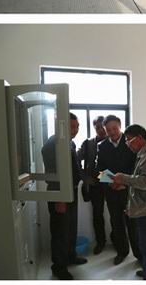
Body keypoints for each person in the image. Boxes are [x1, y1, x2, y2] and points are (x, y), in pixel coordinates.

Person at [112, 125, 146, 280]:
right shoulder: (143, 152)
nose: (127, 144)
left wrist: (123, 178)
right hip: (145, 207)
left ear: (140, 138)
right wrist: (125, 184)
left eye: (129, 140)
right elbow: (142, 179)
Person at [42, 113, 86, 280]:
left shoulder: (70, 143)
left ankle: (70, 256)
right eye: (72, 127)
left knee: (70, 228)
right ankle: (59, 267)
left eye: (77, 126)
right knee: (60, 231)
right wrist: (59, 197)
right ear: (60, 126)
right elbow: (52, 174)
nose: (75, 130)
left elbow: (74, 167)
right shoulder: (51, 145)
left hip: (71, 192)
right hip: (59, 194)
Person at [96, 115, 141, 265]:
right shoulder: (102, 146)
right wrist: (111, 183)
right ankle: (122, 251)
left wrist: (125, 183)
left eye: (114, 128)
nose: (112, 132)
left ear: (120, 126)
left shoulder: (130, 143)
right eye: (108, 130)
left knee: (133, 224)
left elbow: (137, 167)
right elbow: (99, 170)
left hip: (129, 192)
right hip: (112, 192)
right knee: (116, 223)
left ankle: (139, 255)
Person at [78, 115, 108, 254]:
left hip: (112, 183)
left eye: (102, 127)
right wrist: (85, 178)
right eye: (97, 128)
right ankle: (100, 242)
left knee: (117, 215)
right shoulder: (88, 143)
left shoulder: (113, 141)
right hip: (95, 185)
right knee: (97, 215)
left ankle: (119, 242)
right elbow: (75, 160)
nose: (101, 130)